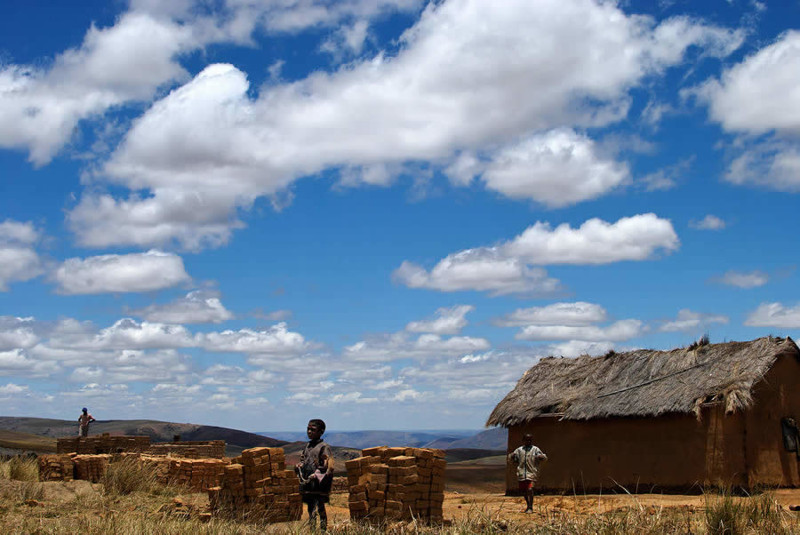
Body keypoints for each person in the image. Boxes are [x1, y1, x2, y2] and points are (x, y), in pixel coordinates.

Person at [296, 419, 334, 531]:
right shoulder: (308, 446)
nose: (309, 432)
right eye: (308, 429)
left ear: (320, 431)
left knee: (320, 507)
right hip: (309, 483)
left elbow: (327, 465)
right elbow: (304, 459)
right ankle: (312, 530)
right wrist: (300, 465)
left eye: (312, 430)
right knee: (310, 508)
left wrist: (317, 474)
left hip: (319, 484)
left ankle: (323, 530)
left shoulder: (324, 447)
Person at [508, 433, 547, 513]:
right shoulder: (519, 450)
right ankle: (528, 504)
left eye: (530, 440)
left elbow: (544, 457)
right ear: (523, 441)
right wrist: (512, 456)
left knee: (530, 489)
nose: (528, 441)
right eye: (526, 440)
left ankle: (530, 507)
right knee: (524, 490)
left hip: (531, 472)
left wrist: (541, 457)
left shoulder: (535, 449)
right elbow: (513, 459)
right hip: (521, 473)